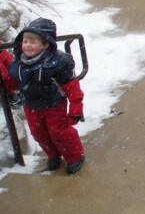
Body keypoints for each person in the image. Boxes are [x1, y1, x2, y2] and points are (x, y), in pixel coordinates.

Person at [5, 18, 86, 174]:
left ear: (45, 44)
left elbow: (71, 86)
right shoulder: (19, 64)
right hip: (31, 106)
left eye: (32, 42)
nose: (27, 45)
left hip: (53, 105)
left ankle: (74, 155)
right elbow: (12, 83)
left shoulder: (56, 64)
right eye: (25, 41)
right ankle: (53, 155)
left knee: (59, 132)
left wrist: (76, 106)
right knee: (38, 133)